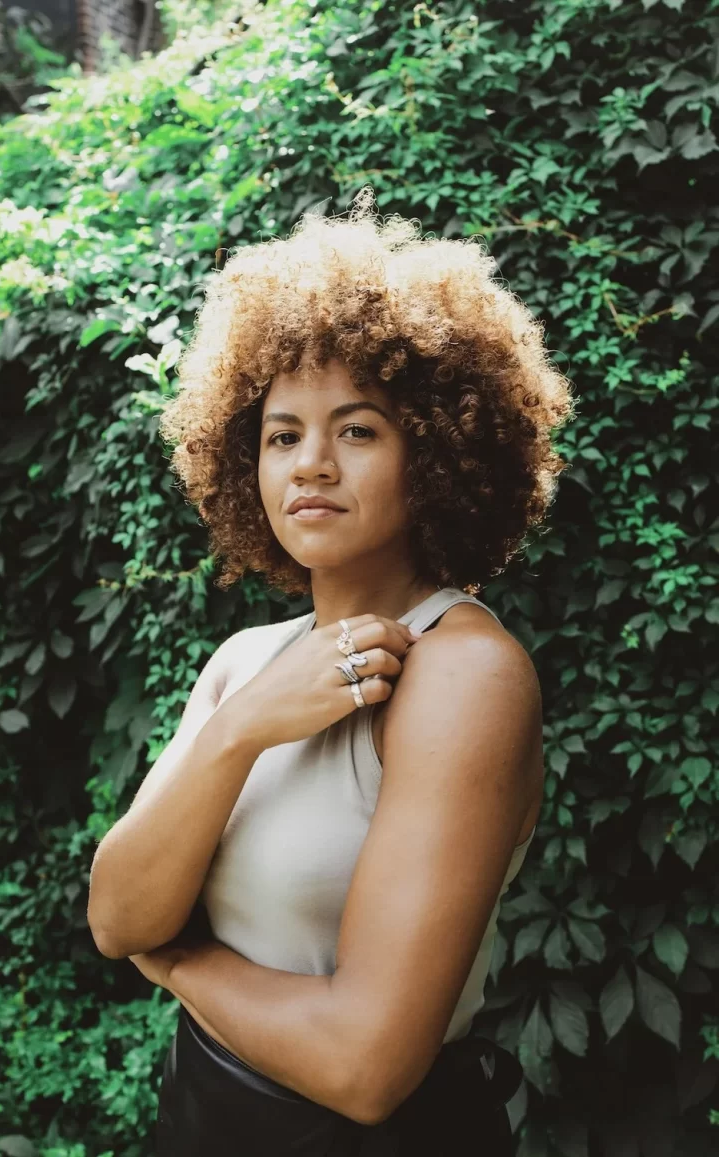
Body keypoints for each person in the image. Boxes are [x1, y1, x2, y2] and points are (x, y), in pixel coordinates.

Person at [87, 187, 575, 1155]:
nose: (310, 463)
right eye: (281, 434)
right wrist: (242, 724)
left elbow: (366, 1067)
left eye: (357, 429)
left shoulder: (464, 673)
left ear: (434, 452)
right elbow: (114, 912)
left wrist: (179, 962)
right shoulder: (246, 664)